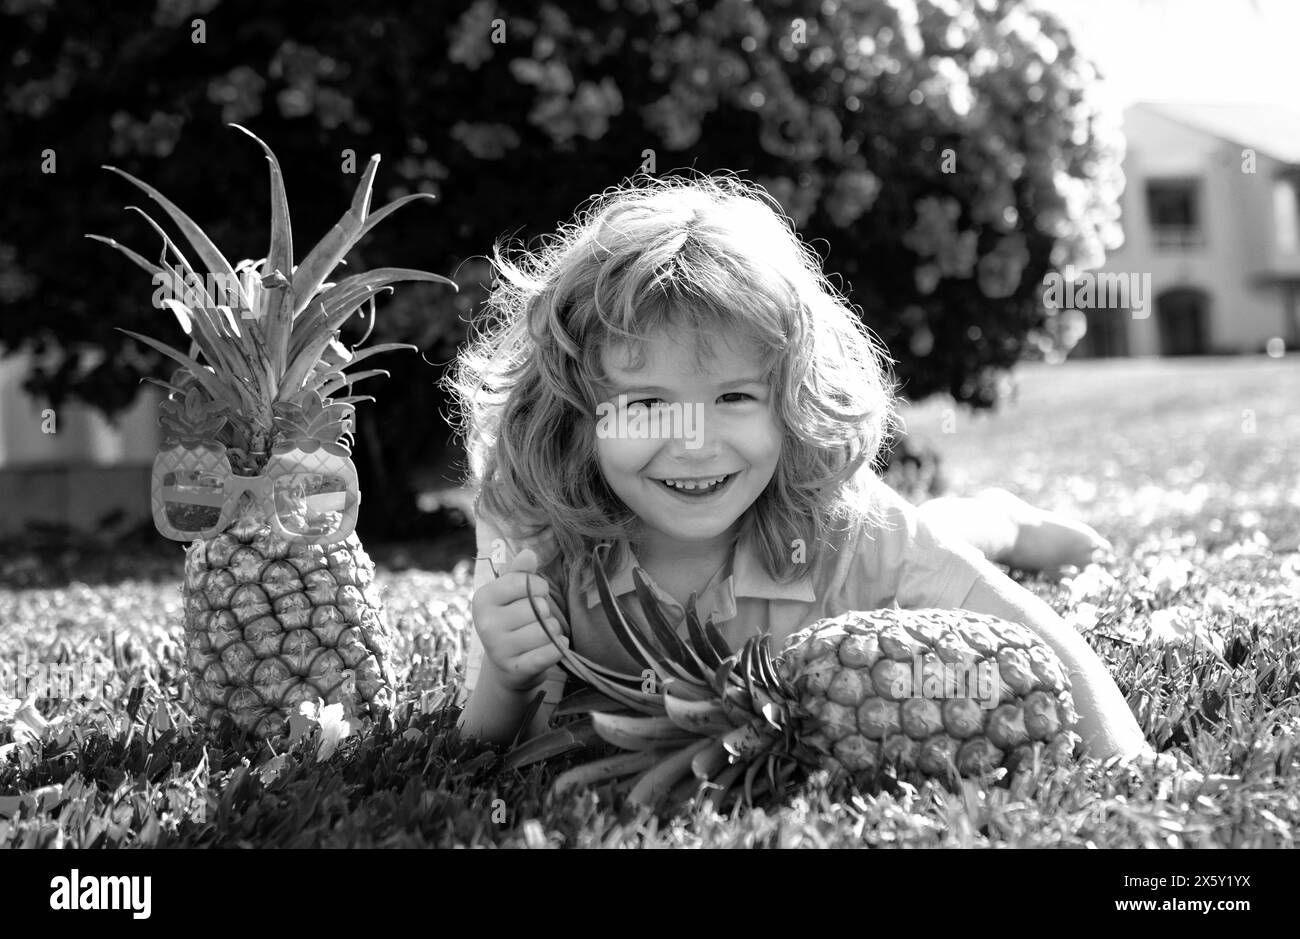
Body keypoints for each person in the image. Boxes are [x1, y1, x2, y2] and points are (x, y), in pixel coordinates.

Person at [446, 173, 1144, 763]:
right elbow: (477, 743)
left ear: (791, 400)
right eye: (647, 403)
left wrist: (1131, 765)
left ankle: (1001, 519)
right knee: (916, 539)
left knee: (931, 543)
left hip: (856, 547)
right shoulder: (533, 524)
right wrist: (506, 680)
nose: (693, 442)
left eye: (734, 397)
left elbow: (1035, 636)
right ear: (575, 410)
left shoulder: (842, 515)